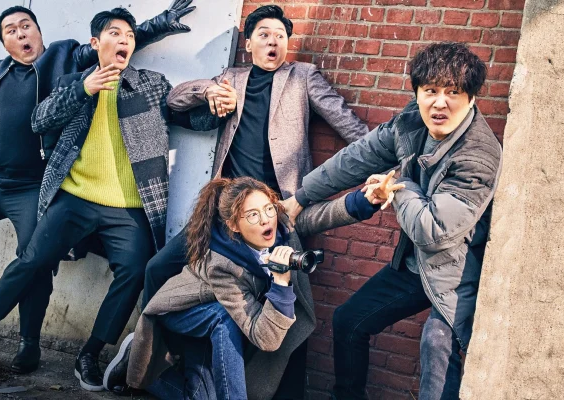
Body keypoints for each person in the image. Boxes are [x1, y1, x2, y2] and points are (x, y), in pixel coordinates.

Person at [0, 2, 195, 375]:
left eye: (26, 26)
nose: (21, 33)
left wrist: (160, 24)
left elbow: (115, 41)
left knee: (33, 258)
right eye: (11, 30)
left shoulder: (63, 58)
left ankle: (28, 343)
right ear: (4, 43)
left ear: (38, 31)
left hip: (34, 187)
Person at [144, 6, 370, 396]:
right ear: (248, 44)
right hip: (226, 213)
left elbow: (344, 120)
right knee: (157, 268)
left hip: (278, 214)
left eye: (280, 35)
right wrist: (209, 91)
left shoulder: (302, 77)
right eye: (264, 34)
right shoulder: (231, 78)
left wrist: (384, 155)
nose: (273, 41)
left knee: (292, 303)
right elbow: (175, 100)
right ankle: (158, 356)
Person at [281, 42, 503, 399]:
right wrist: (301, 197)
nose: (440, 103)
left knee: (437, 343)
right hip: (417, 265)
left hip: (457, 272)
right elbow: (358, 157)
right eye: (430, 91)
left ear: (471, 98)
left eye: (453, 93)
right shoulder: (411, 122)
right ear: (417, 93)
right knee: (349, 321)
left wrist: (398, 184)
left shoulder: (478, 156)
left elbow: (432, 231)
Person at [102, 176, 400, 399]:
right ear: (234, 225)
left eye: (268, 208)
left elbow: (323, 215)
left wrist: (367, 200)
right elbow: (262, 336)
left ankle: (139, 369)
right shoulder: (222, 265)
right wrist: (281, 283)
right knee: (223, 317)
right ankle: (139, 361)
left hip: (223, 322)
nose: (265, 219)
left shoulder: (280, 225)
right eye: (253, 215)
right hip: (184, 313)